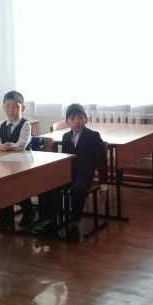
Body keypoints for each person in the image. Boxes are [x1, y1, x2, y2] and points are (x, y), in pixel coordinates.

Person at [0, 90, 34, 230]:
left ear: (23, 108)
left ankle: (28, 213)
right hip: (5, 164)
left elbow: (22, 145)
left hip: (23, 164)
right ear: (3, 108)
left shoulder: (25, 124)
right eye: (8, 106)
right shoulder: (2, 126)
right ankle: (4, 215)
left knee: (20, 185)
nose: (11, 110)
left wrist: (8, 146)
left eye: (16, 106)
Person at [59, 103, 108, 242]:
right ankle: (54, 220)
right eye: (72, 119)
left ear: (86, 119)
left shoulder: (93, 136)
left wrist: (103, 185)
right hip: (69, 174)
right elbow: (64, 160)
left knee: (77, 189)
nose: (77, 122)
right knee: (51, 186)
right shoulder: (65, 137)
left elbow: (102, 162)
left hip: (85, 175)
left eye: (80, 118)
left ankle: (75, 223)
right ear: (67, 121)